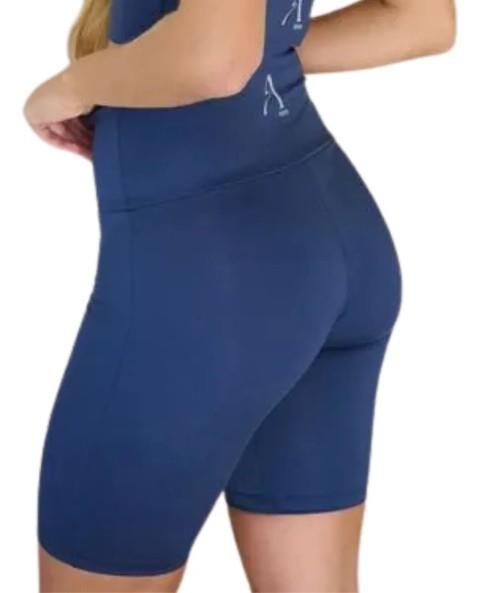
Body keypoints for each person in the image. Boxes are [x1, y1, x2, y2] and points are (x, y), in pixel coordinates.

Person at [24, 1, 456, 591]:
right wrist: (259, 44)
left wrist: (68, 87)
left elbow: (215, 58)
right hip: (326, 235)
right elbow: (423, 20)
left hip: (211, 277)